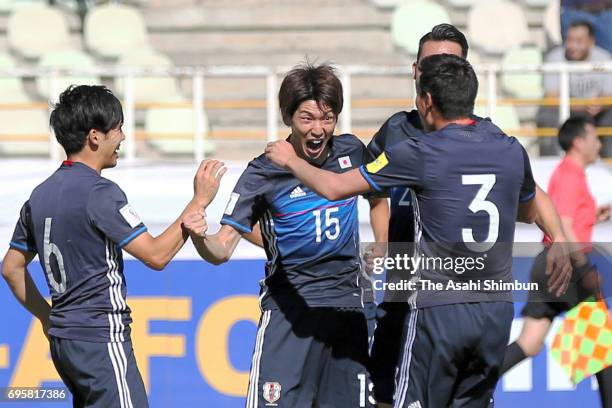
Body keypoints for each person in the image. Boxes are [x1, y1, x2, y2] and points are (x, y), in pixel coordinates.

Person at [266, 54, 544, 407]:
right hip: (496, 311)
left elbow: (335, 187)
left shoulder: (418, 151)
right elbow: (530, 211)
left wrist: (289, 159)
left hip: (439, 311)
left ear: (427, 101)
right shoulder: (510, 149)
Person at [365, 23, 572, 408]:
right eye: (431, 63)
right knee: (384, 395)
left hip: (456, 303)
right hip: (402, 297)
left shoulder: (487, 137)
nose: (439, 69)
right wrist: (384, 242)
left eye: (450, 62)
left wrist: (558, 237)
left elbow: (534, 195)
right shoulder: (394, 131)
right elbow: (372, 191)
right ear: (416, 70)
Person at [1, 85, 224, 408]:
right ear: (95, 137)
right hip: (100, 339)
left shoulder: (39, 195)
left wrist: (47, 317)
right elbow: (157, 255)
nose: (123, 137)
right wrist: (200, 200)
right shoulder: (99, 193)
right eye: (117, 128)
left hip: (66, 342)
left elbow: (11, 268)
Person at [183, 63, 386, 407]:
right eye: (307, 118)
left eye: (327, 118)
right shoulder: (263, 172)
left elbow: (379, 197)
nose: (318, 129)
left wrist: (382, 242)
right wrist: (200, 236)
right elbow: (222, 248)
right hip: (290, 314)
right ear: (287, 116)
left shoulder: (352, 151)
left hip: (350, 309)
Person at [501, 115, 612, 407]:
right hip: (566, 264)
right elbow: (563, 223)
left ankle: (470, 383)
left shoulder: (569, 174)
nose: (599, 143)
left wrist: (594, 214)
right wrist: (584, 267)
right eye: (594, 136)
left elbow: (569, 217)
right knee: (601, 347)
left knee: (530, 343)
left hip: (548, 264)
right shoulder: (570, 175)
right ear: (578, 142)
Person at [537, 20, 612, 157]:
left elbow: (608, 94)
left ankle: (609, 165)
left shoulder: (605, 58)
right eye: (569, 40)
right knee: (547, 116)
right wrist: (582, 106)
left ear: (591, 41)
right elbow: (551, 96)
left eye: (578, 41)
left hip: (596, 113)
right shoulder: (554, 58)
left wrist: (600, 104)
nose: (572, 46)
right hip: (568, 111)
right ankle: (552, 162)